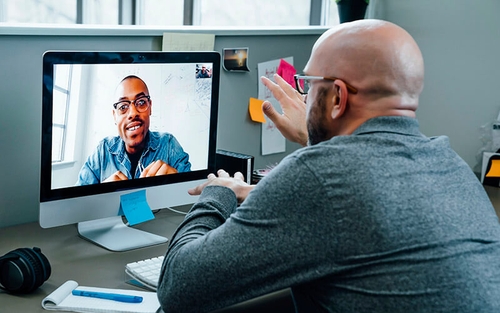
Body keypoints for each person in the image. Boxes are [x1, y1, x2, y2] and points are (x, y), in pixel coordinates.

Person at [157, 19, 500, 312]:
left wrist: (217, 192)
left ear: (337, 97)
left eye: (308, 85)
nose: (304, 98)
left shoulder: (320, 178)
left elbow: (177, 288)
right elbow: (362, 186)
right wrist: (294, 163)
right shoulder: (447, 161)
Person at [76, 75, 191, 185]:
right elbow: (77, 202)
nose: (133, 113)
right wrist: (100, 194)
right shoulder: (102, 151)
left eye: (141, 102)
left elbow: (194, 195)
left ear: (150, 107)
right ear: (114, 116)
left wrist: (178, 184)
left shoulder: (168, 145)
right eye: (123, 107)